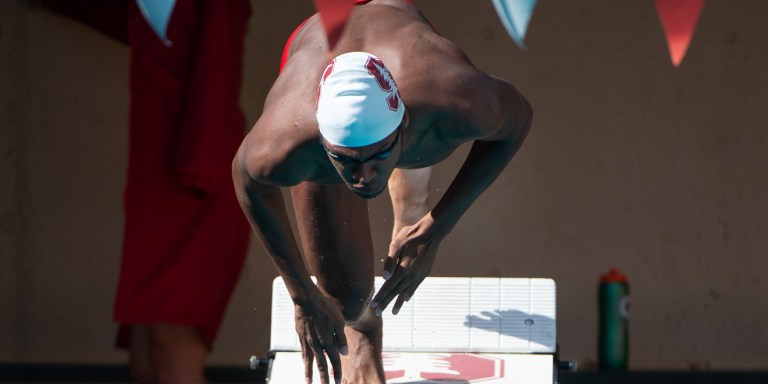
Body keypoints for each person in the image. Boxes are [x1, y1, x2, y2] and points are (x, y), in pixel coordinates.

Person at [232, 0, 532, 383]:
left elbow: (518, 123)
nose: (362, 177)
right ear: (323, 141)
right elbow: (245, 181)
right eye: (346, 161)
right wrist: (302, 294)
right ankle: (365, 333)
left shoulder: (457, 99)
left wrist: (438, 225)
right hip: (314, 49)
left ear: (403, 121)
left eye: (377, 157)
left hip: (402, 36)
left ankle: (410, 200)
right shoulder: (288, 141)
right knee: (345, 300)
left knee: (411, 168)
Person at [113, 1, 251, 383]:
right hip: (152, 183)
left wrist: (200, 176)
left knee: (172, 350)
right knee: (144, 360)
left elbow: (218, 75)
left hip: (191, 178)